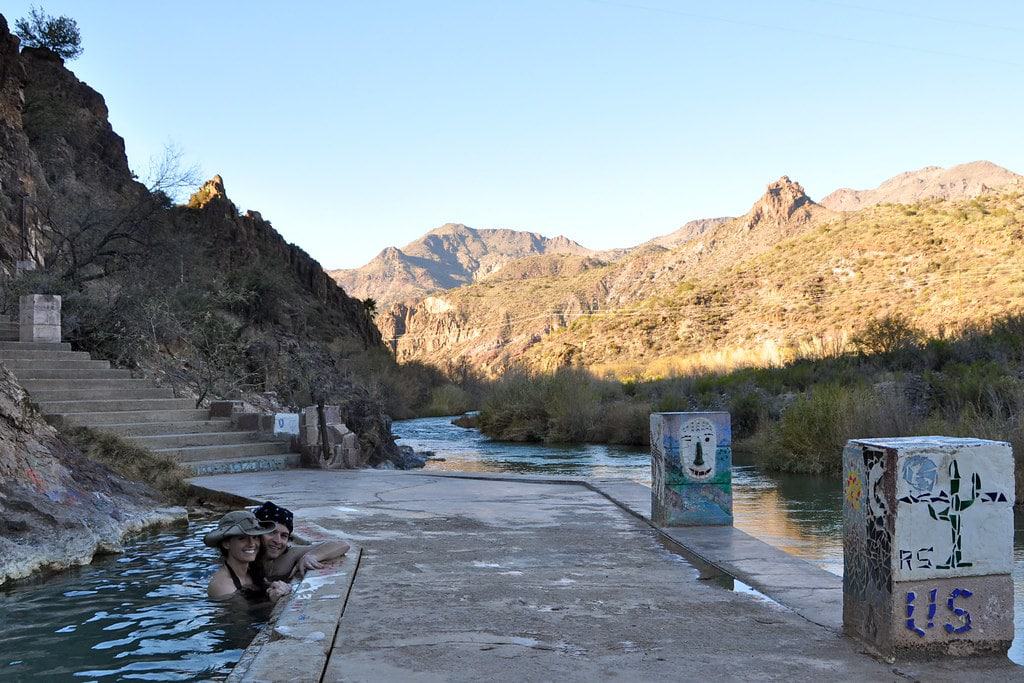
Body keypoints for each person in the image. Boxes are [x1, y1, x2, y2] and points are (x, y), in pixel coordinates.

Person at [204, 510, 292, 602]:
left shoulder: (253, 569)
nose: (252, 544)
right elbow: (242, 615)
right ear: (226, 544)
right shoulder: (223, 587)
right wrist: (273, 600)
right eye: (242, 538)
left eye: (255, 537)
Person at [253, 501, 350, 581]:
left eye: (284, 536)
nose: (278, 541)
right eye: (272, 533)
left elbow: (342, 545)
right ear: (256, 533)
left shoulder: (289, 556)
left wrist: (312, 556)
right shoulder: (244, 562)